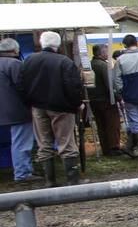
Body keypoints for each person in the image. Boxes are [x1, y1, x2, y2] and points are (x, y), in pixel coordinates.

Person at [19, 31, 84, 185]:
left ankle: (50, 181)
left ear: (42, 43)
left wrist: (29, 103)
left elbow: (21, 85)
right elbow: (73, 86)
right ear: (58, 44)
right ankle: (72, 181)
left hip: (38, 107)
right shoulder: (65, 62)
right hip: (62, 108)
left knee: (44, 143)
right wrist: (77, 104)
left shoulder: (28, 61)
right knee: (66, 143)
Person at [0, 38, 36, 183]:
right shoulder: (14, 64)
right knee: (21, 143)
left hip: (4, 111)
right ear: (15, 50)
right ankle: (22, 173)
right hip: (16, 111)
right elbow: (23, 87)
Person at [87, 43, 121, 159]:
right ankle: (114, 147)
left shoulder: (90, 65)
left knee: (101, 125)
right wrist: (118, 97)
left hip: (93, 100)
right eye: (107, 51)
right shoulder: (103, 66)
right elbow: (109, 85)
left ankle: (105, 147)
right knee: (112, 123)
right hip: (106, 100)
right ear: (101, 53)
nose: (108, 54)